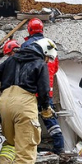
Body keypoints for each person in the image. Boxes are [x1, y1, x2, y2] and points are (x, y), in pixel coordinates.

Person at [0, 38, 56, 164]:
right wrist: (45, 108)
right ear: (44, 53)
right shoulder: (40, 63)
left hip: (5, 102)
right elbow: (44, 90)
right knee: (26, 152)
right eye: (48, 58)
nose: (48, 61)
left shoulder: (11, 59)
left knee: (11, 142)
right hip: (24, 103)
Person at [19, 20, 66, 156]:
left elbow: (22, 69)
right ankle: (60, 147)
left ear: (29, 30)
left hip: (30, 90)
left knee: (29, 119)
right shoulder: (50, 45)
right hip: (47, 89)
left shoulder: (27, 45)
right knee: (50, 117)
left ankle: (30, 148)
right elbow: (55, 67)